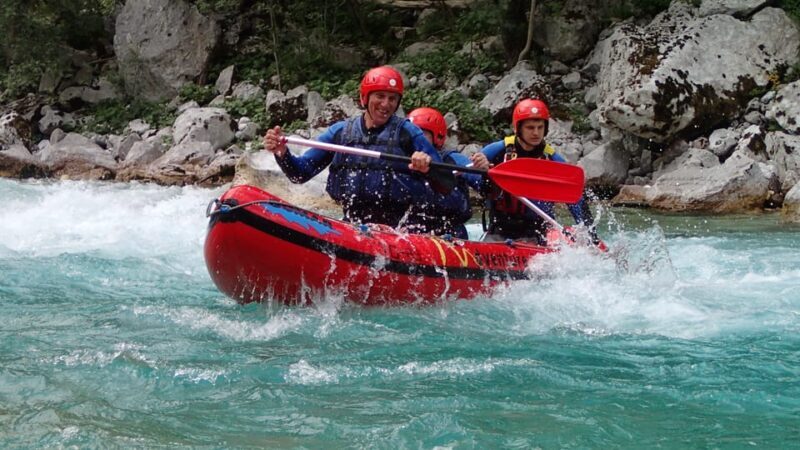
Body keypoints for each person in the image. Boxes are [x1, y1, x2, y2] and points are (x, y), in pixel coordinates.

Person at [263, 66, 449, 227]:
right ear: (364, 99)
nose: (386, 104)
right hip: (353, 223)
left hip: (400, 228)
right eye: (380, 96)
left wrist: (428, 168)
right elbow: (300, 174)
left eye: (392, 99)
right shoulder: (341, 132)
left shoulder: (409, 133)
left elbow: (446, 183)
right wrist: (282, 153)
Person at [470, 98, 600, 245]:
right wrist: (483, 169)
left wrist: (591, 237)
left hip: (537, 234)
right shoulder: (497, 150)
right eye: (530, 128)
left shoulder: (551, 158)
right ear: (517, 128)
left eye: (540, 127)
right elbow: (475, 183)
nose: (536, 133)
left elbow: (575, 199)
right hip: (500, 230)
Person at [402, 107, 473, 239]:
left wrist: (483, 169)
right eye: (410, 134)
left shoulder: (452, 159)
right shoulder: (404, 160)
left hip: (448, 233)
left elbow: (481, 180)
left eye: (421, 134)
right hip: (413, 231)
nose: (414, 139)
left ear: (438, 136)